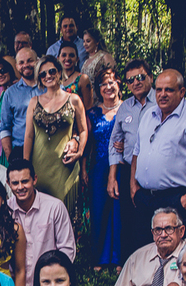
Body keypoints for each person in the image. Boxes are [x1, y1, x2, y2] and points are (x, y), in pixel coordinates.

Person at [128, 69, 186, 249]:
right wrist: (133, 187)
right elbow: (137, 151)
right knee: (144, 249)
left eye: (169, 90)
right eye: (159, 89)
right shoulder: (148, 115)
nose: (162, 94)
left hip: (176, 198)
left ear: (182, 92)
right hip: (145, 198)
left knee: (177, 251)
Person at [24, 55, 88, 215]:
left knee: (65, 213)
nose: (48, 76)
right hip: (39, 167)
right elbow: (29, 136)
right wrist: (25, 167)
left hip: (65, 167)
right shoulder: (34, 102)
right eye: (43, 74)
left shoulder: (74, 100)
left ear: (59, 72)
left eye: (52, 71)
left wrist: (80, 151)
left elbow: (83, 130)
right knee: (41, 214)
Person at [107, 59, 156, 260]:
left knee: (153, 220)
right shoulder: (125, 107)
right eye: (130, 80)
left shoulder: (161, 102)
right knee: (129, 219)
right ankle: (130, 263)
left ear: (150, 77)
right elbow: (114, 142)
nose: (135, 82)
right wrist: (112, 177)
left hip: (155, 171)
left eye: (140, 77)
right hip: (128, 170)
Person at [6, 158, 75, 286]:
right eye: (15, 183)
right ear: (8, 184)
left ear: (34, 180)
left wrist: (53, 279)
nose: (20, 187)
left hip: (50, 284)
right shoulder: (5, 210)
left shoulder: (54, 207)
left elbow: (67, 249)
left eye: (25, 181)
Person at [87, 64, 123, 266]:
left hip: (122, 166)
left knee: (119, 211)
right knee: (99, 210)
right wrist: (84, 169)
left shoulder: (128, 108)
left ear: (118, 84)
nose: (108, 87)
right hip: (98, 166)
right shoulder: (92, 113)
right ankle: (99, 257)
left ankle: (119, 257)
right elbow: (87, 143)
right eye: (103, 84)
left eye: (111, 82)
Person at [0, 48, 45, 159]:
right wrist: (10, 156)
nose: (26, 65)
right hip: (20, 149)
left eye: (30, 61)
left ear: (38, 61)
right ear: (16, 66)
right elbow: (5, 127)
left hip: (46, 150)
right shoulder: (10, 93)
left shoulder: (49, 88)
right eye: (21, 62)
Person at [58, 43, 92, 112]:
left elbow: (88, 109)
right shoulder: (54, 79)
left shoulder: (82, 79)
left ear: (77, 59)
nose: (67, 58)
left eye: (71, 55)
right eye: (64, 55)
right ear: (58, 58)